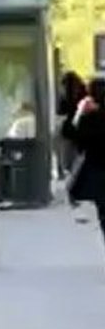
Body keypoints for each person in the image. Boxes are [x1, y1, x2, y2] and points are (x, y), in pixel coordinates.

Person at [69, 78, 105, 244]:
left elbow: (78, 143)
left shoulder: (89, 118)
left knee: (103, 213)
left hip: (98, 171)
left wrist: (80, 113)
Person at [57, 71, 87, 176]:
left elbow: (60, 112)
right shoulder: (84, 94)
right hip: (80, 130)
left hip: (69, 130)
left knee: (69, 155)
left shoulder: (64, 97)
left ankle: (68, 170)